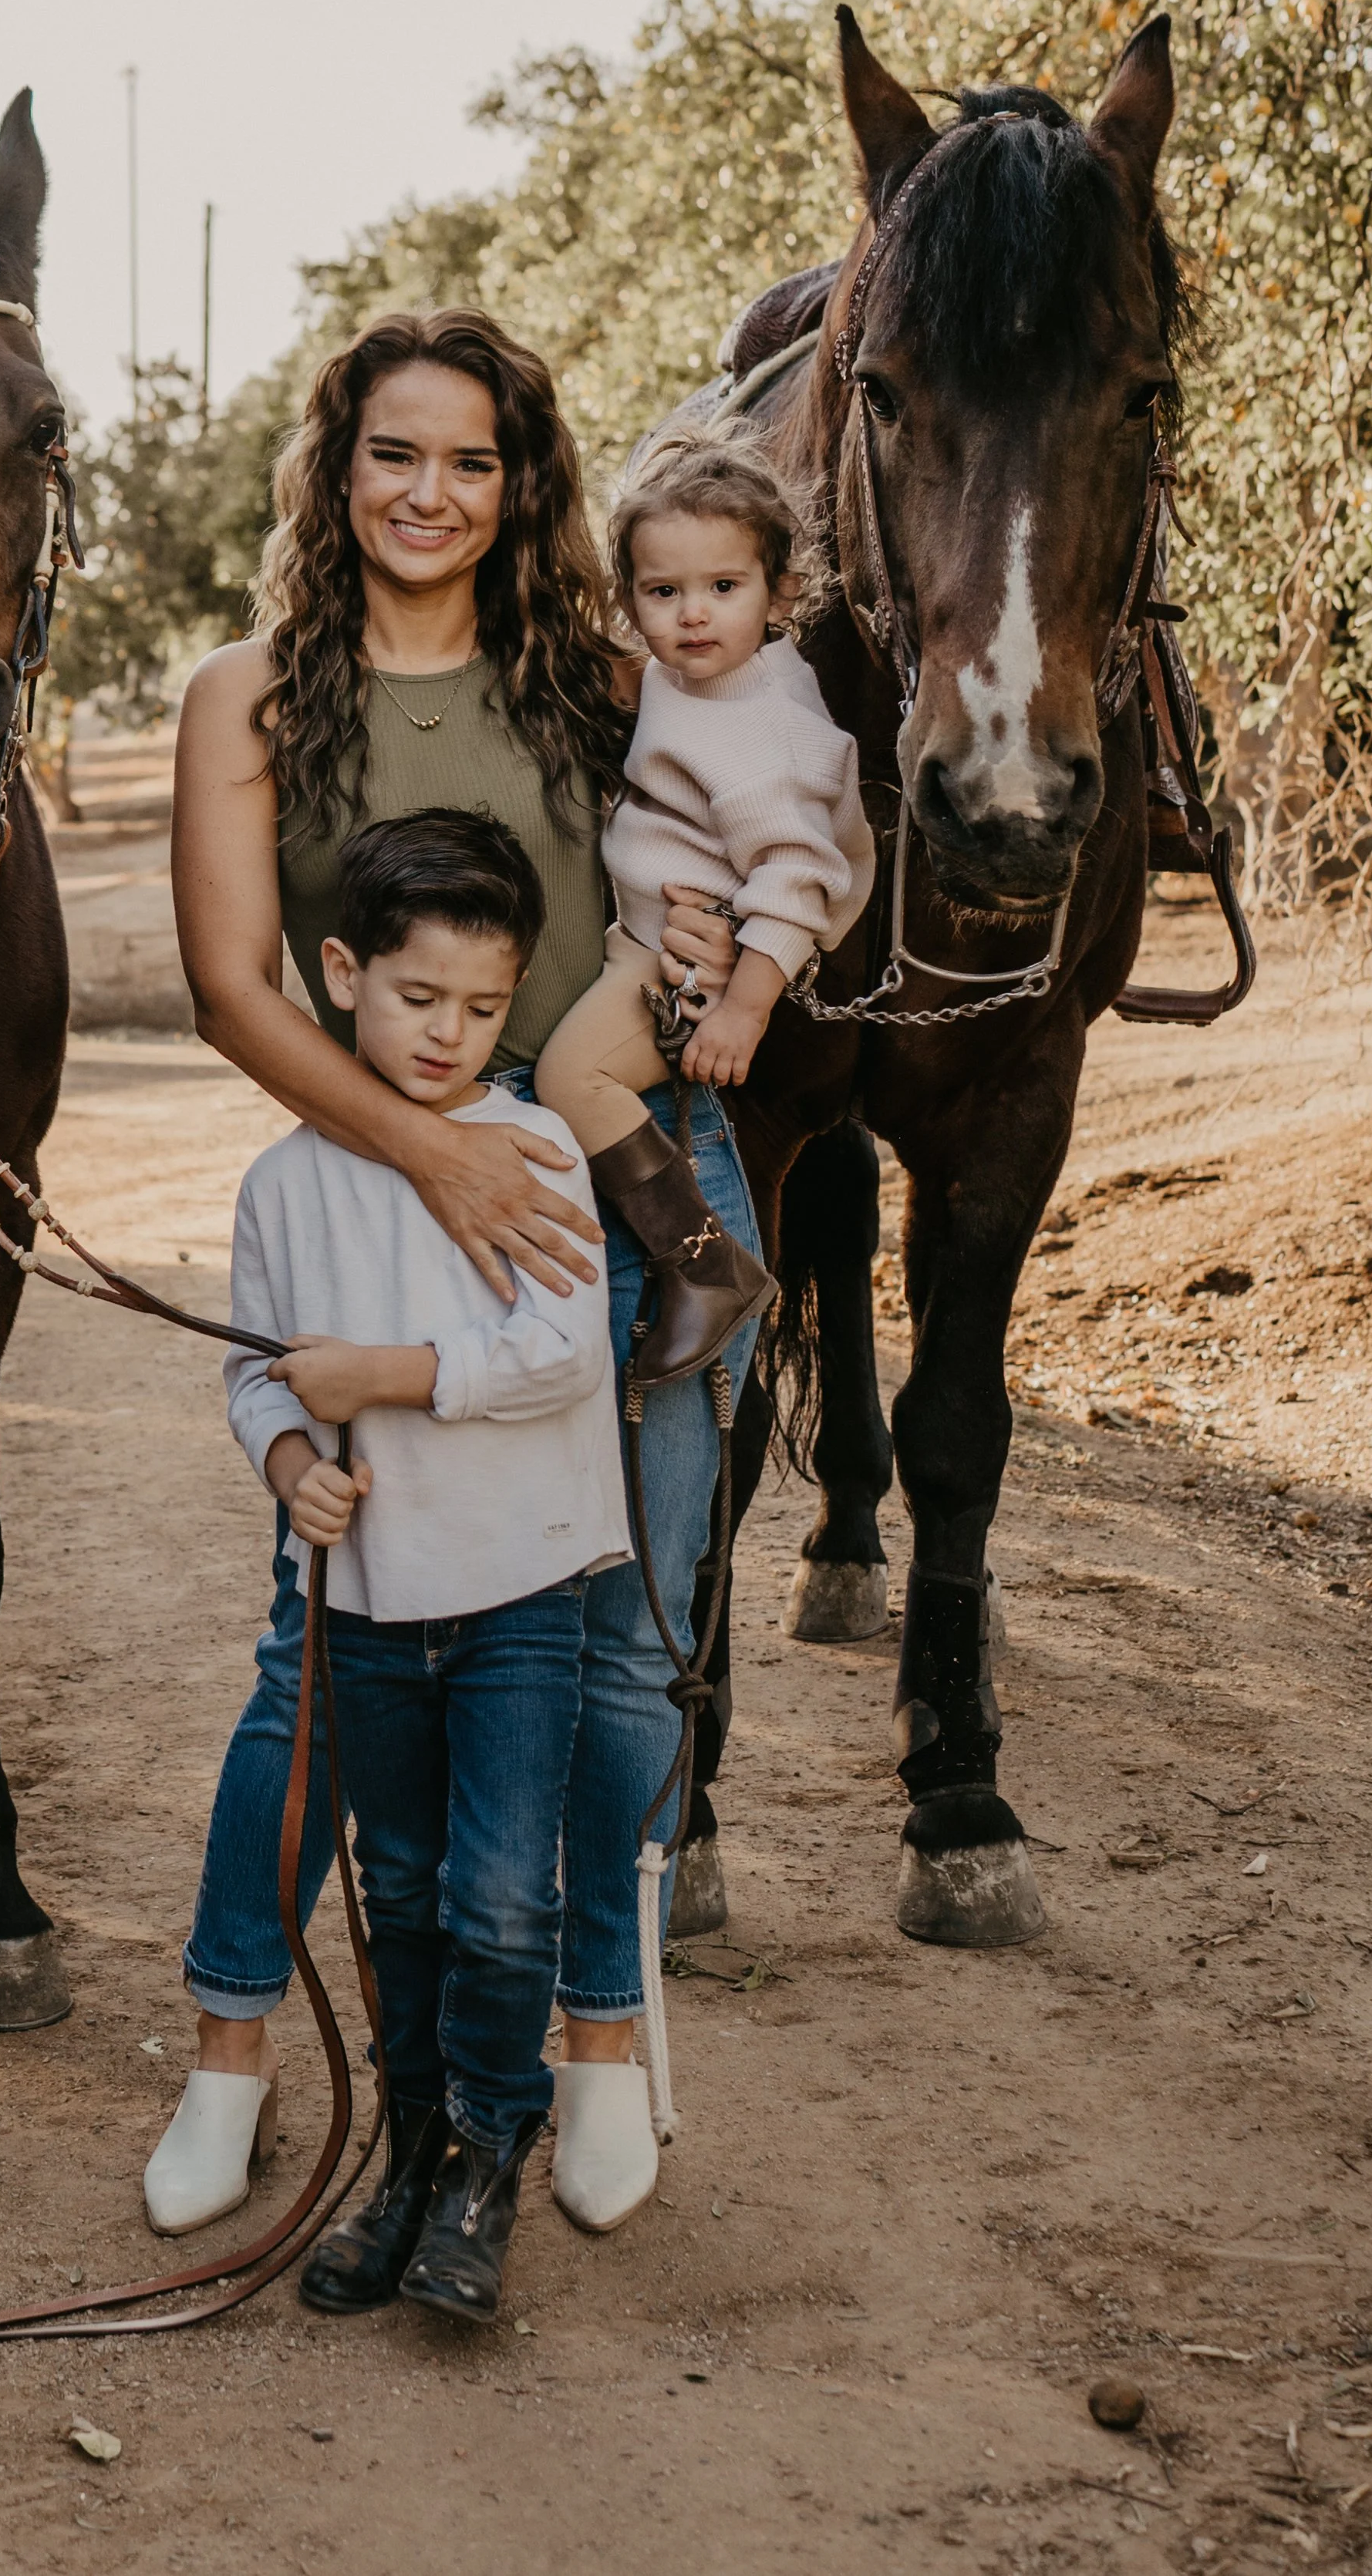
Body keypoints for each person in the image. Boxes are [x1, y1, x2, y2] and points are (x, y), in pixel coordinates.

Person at [153, 308, 765, 2249]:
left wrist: (648, 1014)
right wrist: (434, 1152)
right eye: (393, 453)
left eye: (473, 460)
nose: (432, 493)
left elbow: (732, 839)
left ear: (523, 484)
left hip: (618, 1178)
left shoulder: (597, 668)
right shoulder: (244, 694)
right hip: (382, 1187)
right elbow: (238, 985)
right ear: (336, 471)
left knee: (616, 1640)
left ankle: (590, 2030)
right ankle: (232, 2050)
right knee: (319, 1655)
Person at [223, 810, 628, 2322]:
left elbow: (556, 1351)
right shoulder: (281, 1188)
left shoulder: (530, 1152)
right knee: (395, 1891)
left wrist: (379, 1375)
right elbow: (262, 1375)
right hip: (374, 1610)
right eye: (416, 1000)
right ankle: (407, 2158)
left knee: (504, 1895)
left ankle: (484, 2156)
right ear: (339, 975)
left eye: (481, 1007)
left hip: (519, 1594)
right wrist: (286, 1463)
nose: (449, 1036)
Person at [534, 423, 876, 1381]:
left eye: (723, 589)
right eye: (662, 592)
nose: (692, 615)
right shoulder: (695, 682)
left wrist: (741, 1008)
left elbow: (797, 879)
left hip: (675, 969)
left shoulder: (765, 724)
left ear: (782, 594)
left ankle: (705, 1264)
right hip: (638, 936)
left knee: (573, 1080)